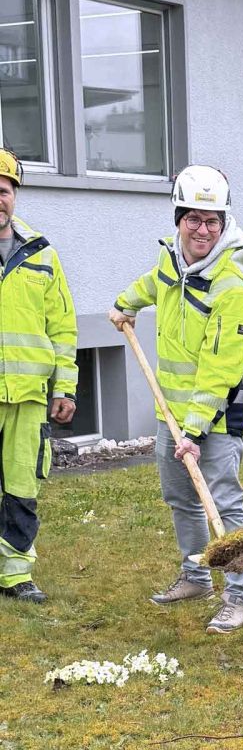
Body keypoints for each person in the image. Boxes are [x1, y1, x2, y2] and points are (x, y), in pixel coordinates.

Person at [109, 164, 243, 634]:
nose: (202, 230)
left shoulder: (233, 282)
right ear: (178, 219)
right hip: (171, 411)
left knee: (223, 502)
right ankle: (196, 576)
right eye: (193, 218)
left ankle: (239, 597)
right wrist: (125, 304)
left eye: (211, 221)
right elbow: (153, 284)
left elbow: (221, 370)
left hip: (217, 416)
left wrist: (194, 429)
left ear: (224, 223)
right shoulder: (173, 260)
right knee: (182, 497)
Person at [0, 149, 78, 603]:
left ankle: (15, 575)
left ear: (14, 196)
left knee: (21, 490)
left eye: (4, 190)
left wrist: (64, 386)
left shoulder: (42, 255)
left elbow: (62, 329)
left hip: (29, 399)